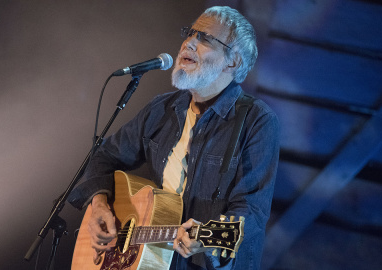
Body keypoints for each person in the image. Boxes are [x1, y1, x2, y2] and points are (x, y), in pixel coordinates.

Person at [68, 6, 279, 270]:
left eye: (205, 38)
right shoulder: (162, 109)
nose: (189, 42)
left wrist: (207, 240)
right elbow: (104, 156)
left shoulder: (257, 120)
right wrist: (99, 204)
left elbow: (252, 211)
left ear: (233, 61)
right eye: (190, 33)